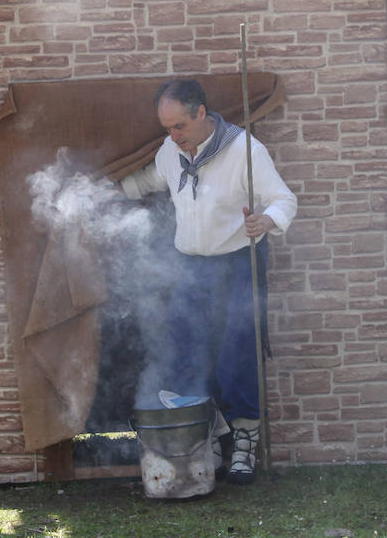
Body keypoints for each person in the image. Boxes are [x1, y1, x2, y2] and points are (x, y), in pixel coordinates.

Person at [121, 78, 297, 485]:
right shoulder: (172, 151)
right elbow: (152, 179)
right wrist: (108, 189)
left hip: (239, 263)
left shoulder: (246, 151)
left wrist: (266, 220)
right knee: (186, 351)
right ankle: (208, 440)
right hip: (190, 267)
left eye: (179, 126)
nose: (173, 136)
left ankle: (245, 447)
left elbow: (284, 199)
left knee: (238, 351)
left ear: (201, 113)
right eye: (167, 128)